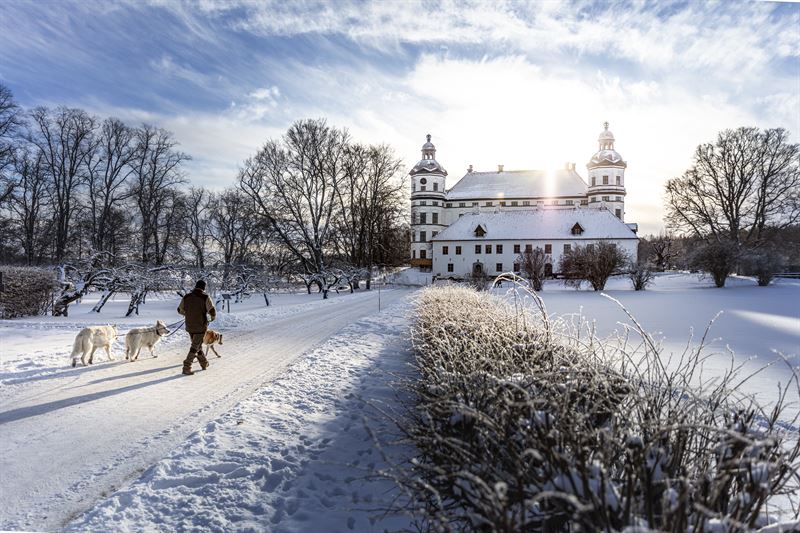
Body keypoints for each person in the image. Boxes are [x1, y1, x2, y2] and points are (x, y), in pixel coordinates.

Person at [177, 280, 217, 375]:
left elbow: (179, 310)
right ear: (204, 288)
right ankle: (187, 366)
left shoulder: (186, 297)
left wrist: (188, 314)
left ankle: (204, 363)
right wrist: (211, 319)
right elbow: (212, 312)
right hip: (200, 326)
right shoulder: (205, 297)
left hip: (189, 325)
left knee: (197, 345)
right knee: (195, 347)